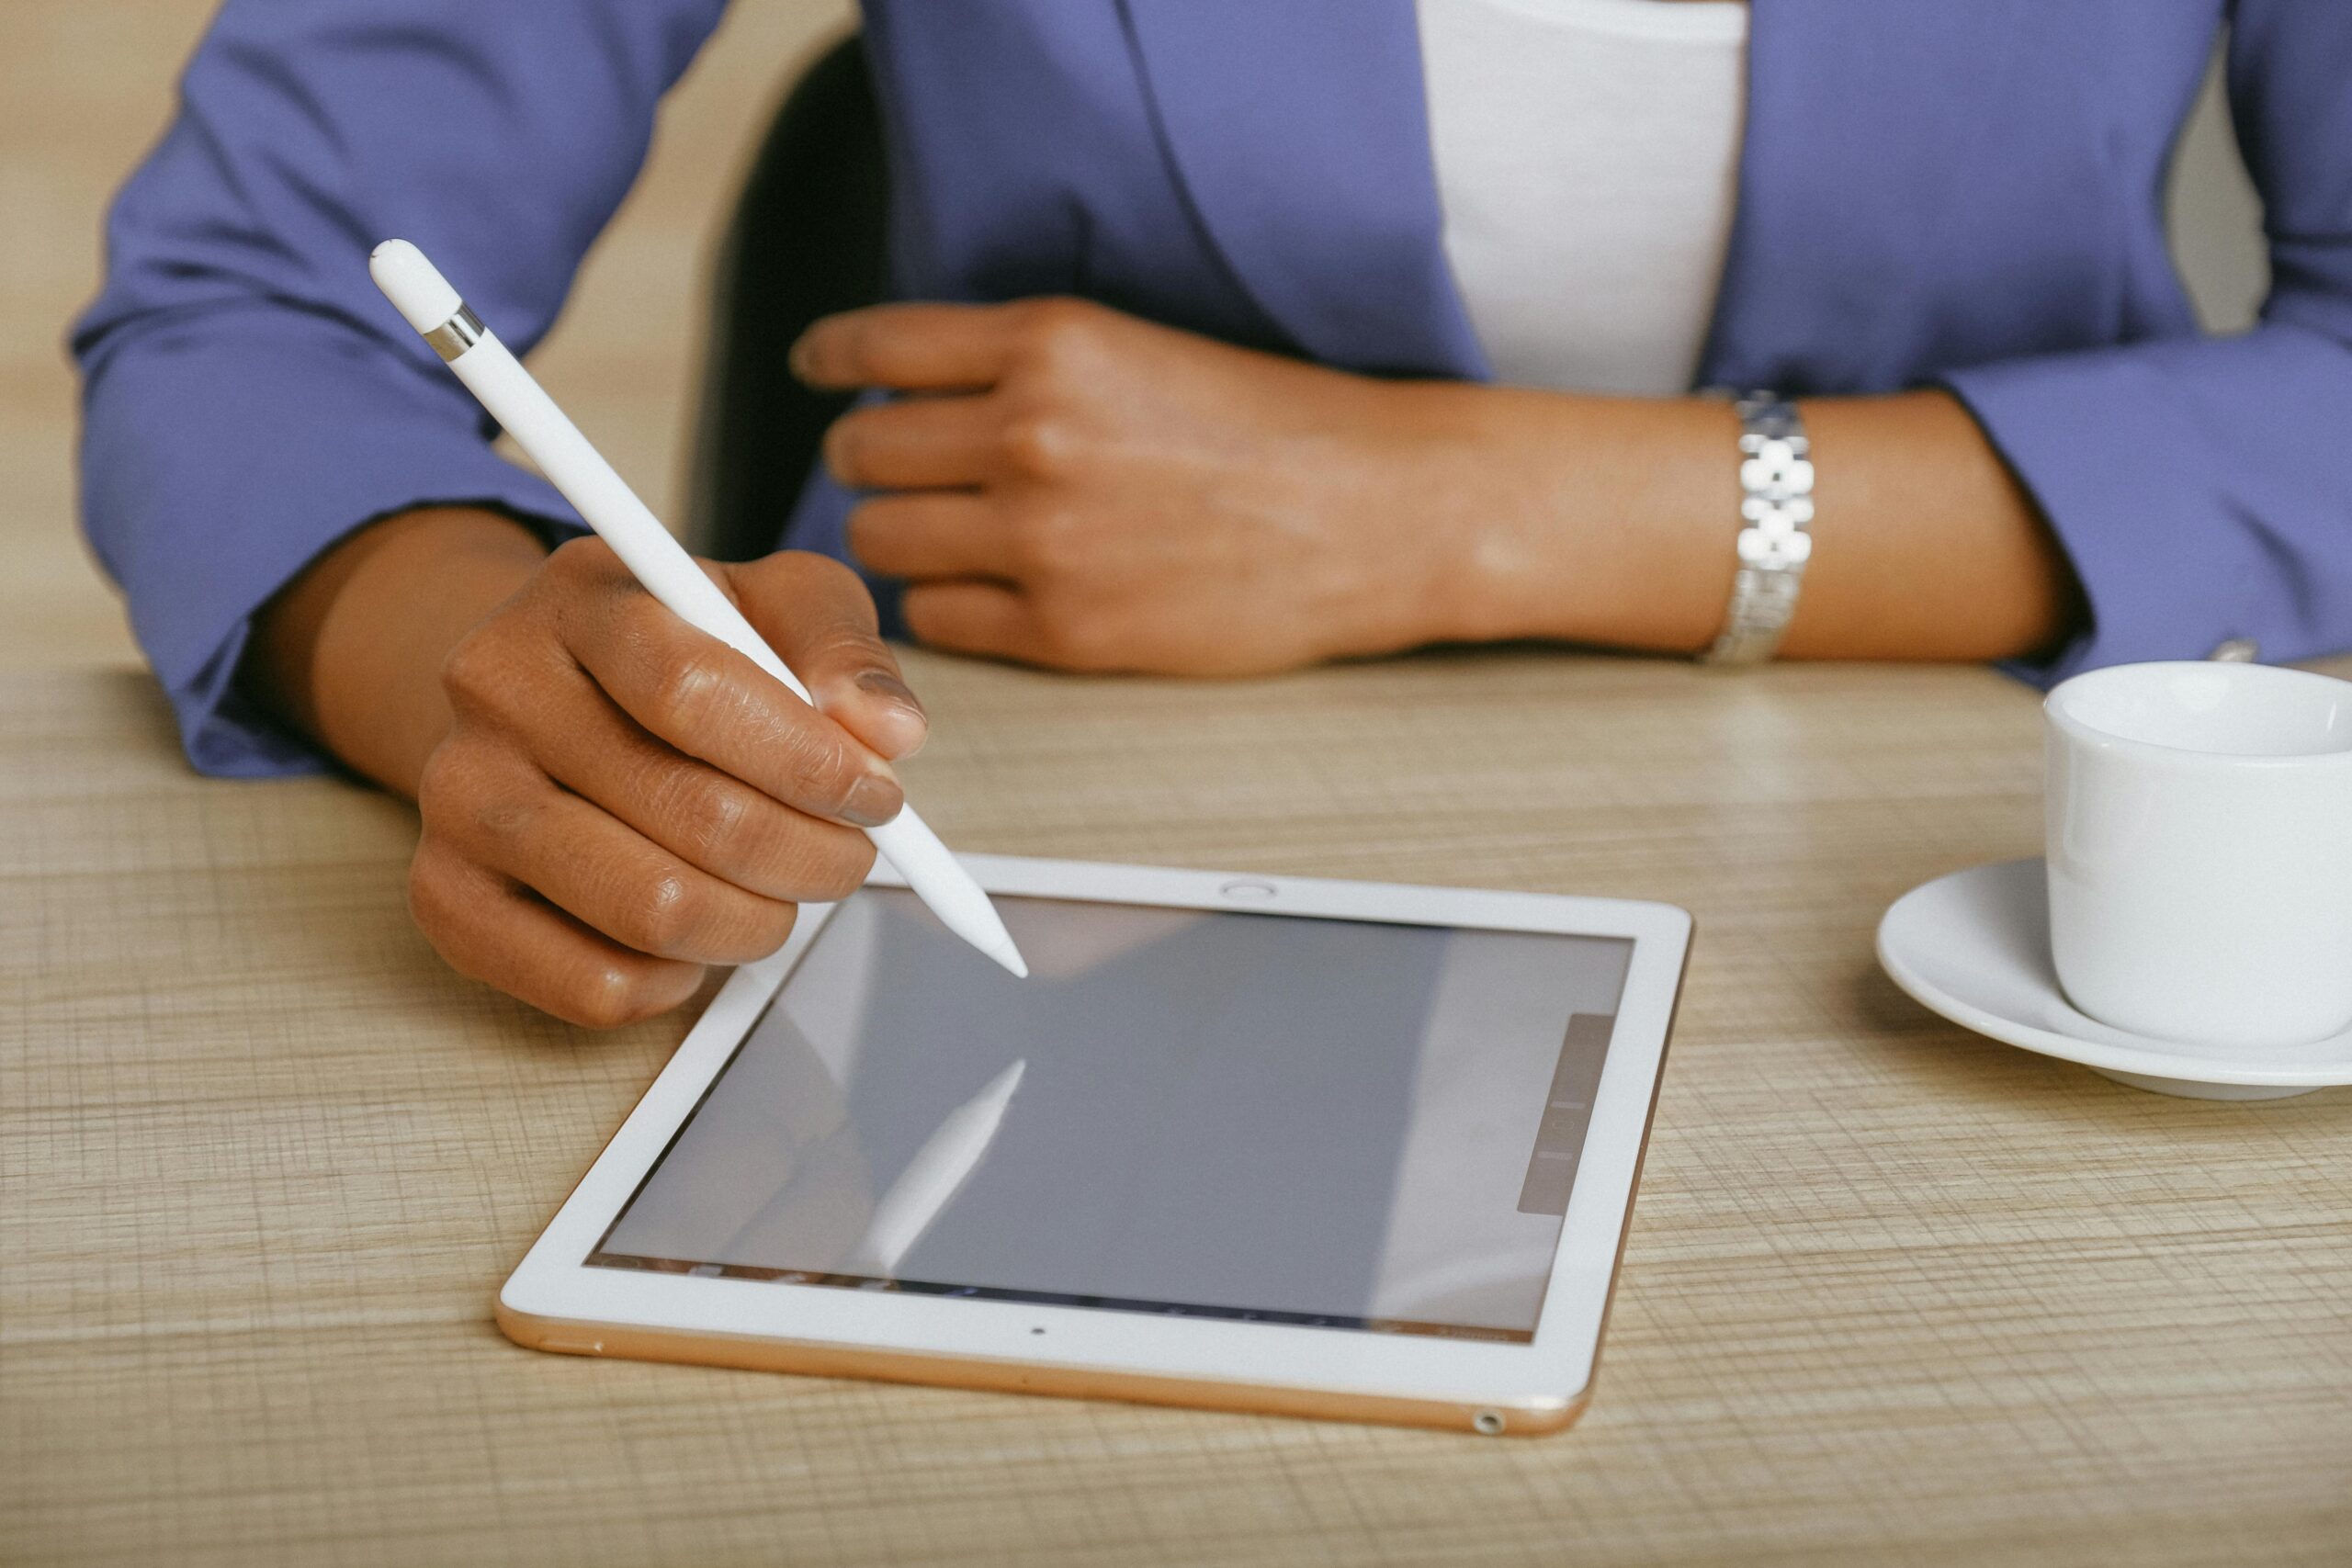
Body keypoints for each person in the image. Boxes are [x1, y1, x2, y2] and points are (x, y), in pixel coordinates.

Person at [74, 1, 2352, 1025]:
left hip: (1985, 869)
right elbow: (252, 303)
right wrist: (483, 673)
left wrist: (1459, 509)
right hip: (988, 850)